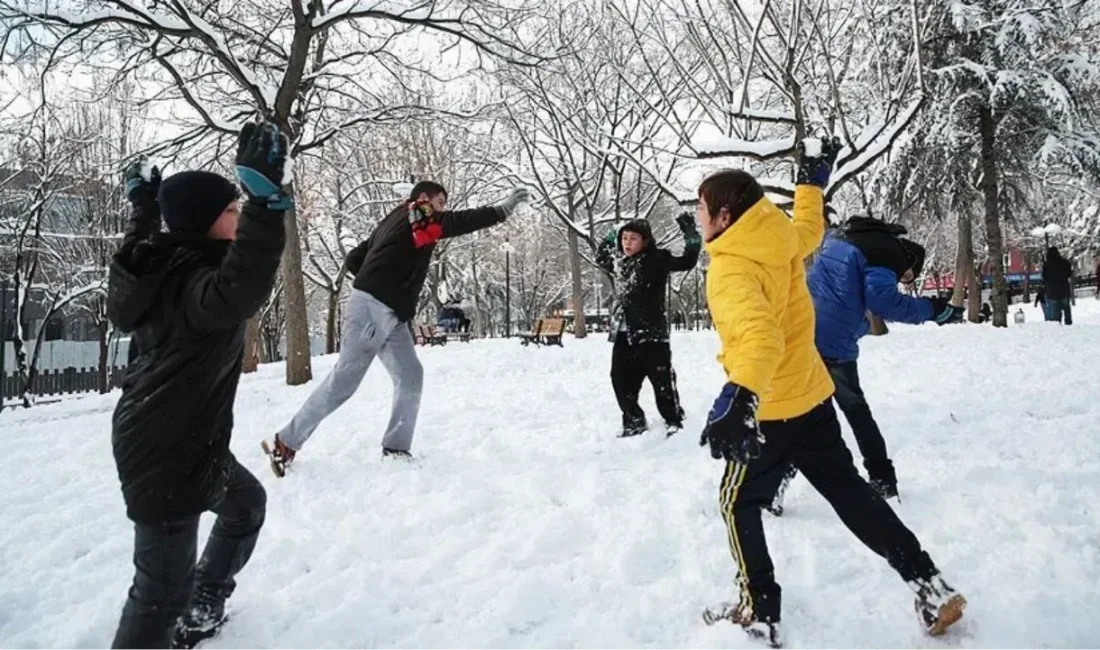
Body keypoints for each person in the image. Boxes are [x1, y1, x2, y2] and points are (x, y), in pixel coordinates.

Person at [695, 138, 966, 647]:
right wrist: (811, 184)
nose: (697, 219)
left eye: (701, 211)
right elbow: (808, 229)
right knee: (849, 492)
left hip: (771, 407)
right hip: (814, 397)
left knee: (736, 503)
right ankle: (928, 583)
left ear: (725, 216)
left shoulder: (731, 266)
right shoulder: (777, 237)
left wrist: (740, 394)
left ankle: (757, 611)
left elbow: (759, 336)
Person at [107, 122, 290, 648]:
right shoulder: (197, 285)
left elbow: (141, 237)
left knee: (246, 505)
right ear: (207, 224)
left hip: (185, 441)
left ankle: (204, 602)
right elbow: (243, 284)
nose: (237, 215)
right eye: (231, 211)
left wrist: (143, 202)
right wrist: (264, 201)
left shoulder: (161, 263)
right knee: (160, 589)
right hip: (164, 451)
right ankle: (183, 609)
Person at [263, 182, 530, 475]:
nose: (442, 210)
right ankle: (286, 441)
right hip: (372, 309)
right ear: (424, 198)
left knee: (410, 374)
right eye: (441, 202)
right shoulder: (419, 214)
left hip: (390, 313)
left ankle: (396, 447)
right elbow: (458, 221)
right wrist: (502, 210)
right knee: (344, 382)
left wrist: (383, 274)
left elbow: (354, 258)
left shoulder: (396, 218)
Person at [766, 217, 962, 509]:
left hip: (800, 329)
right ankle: (883, 480)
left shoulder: (844, 238)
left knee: (802, 412)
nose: (904, 280)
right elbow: (885, 302)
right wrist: (933, 310)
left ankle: (776, 481)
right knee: (855, 410)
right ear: (908, 261)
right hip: (832, 342)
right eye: (908, 276)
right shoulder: (888, 255)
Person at [595, 214, 701, 437]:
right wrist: (612, 233)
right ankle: (634, 420)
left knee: (661, 381)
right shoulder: (620, 263)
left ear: (645, 241)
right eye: (624, 238)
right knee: (620, 380)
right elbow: (601, 257)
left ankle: (673, 418)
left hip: (652, 333)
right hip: (625, 333)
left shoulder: (657, 259)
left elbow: (687, 261)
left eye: (633, 238)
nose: (627, 243)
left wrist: (690, 234)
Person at [1041, 247, 1073, 325]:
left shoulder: (1047, 265)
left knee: (1055, 311)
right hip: (1064, 289)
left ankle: (1058, 325)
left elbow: (1044, 277)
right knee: (1066, 309)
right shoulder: (1065, 263)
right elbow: (1069, 273)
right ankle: (1068, 323)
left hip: (1053, 291)